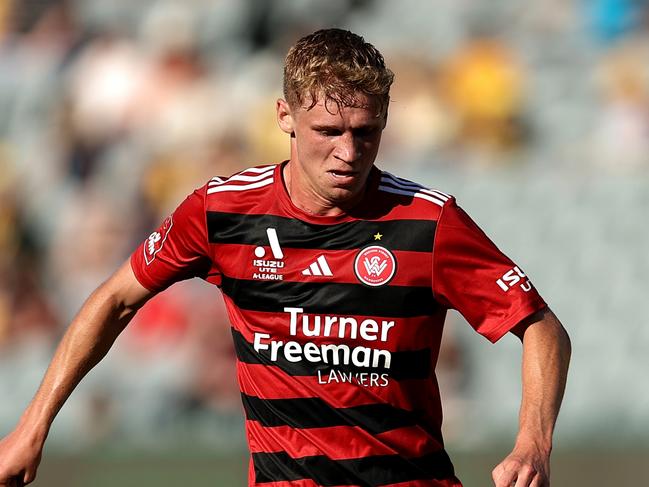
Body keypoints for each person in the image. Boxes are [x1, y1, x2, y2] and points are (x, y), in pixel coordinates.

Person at [0, 28, 570, 487]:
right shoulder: (221, 212)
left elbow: (542, 326)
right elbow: (117, 298)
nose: (349, 153)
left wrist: (533, 444)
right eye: (328, 130)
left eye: (366, 132)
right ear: (284, 117)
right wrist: (32, 428)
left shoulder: (428, 221)